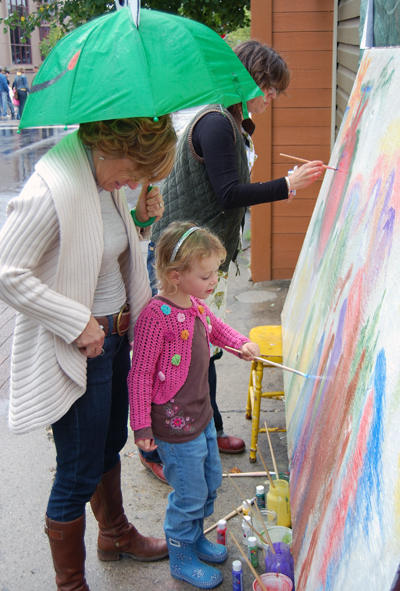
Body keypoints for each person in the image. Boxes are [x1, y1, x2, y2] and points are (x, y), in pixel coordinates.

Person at [0, 115, 177, 590]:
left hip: (114, 336)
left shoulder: (101, 176)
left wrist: (138, 219)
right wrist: (74, 320)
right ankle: (71, 583)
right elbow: (7, 272)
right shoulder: (53, 185)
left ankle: (114, 535)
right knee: (77, 472)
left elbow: (102, 250)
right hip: (81, 345)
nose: (133, 181)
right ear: (109, 146)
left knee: (107, 446)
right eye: (133, 171)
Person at [141, 39, 325, 480]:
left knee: (201, 351)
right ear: (251, 81)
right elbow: (228, 194)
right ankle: (157, 449)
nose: (274, 98)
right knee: (175, 358)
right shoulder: (218, 124)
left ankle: (209, 427)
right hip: (181, 258)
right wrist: (285, 184)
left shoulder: (233, 121)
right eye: (272, 88)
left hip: (198, 255)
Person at [129, 222, 260, 588]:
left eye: (215, 271)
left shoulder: (195, 304)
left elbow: (218, 330)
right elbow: (139, 375)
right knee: (189, 492)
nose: (214, 279)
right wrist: (141, 426)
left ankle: (195, 536)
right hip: (174, 425)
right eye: (206, 274)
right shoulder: (157, 317)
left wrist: (241, 344)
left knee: (210, 480)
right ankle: (181, 553)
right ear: (175, 275)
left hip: (201, 417)